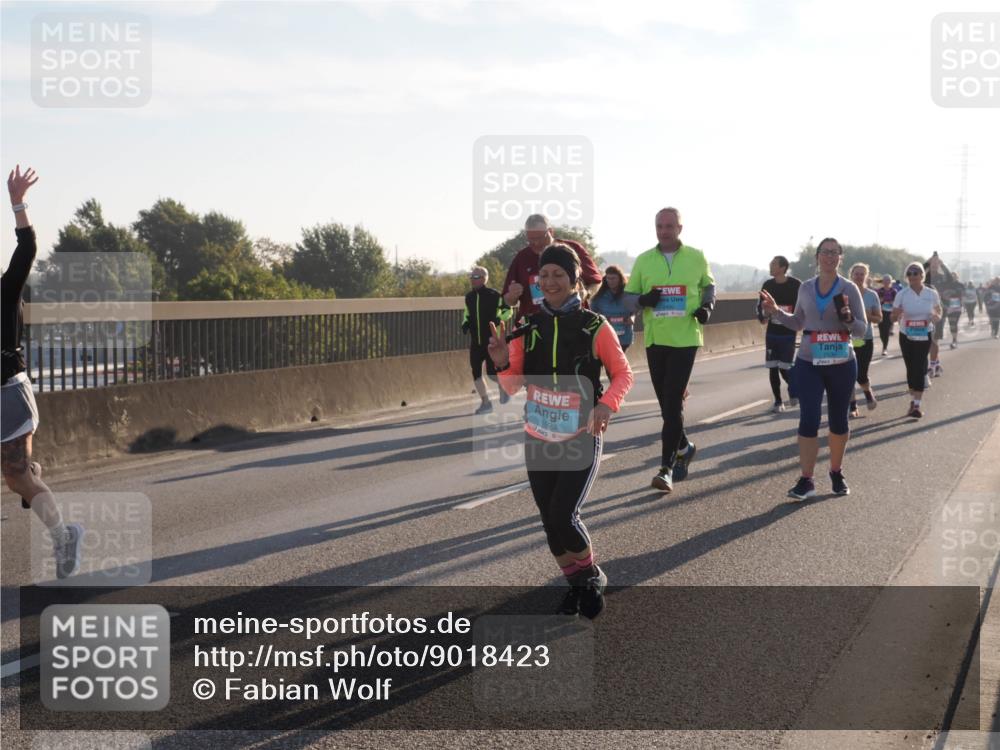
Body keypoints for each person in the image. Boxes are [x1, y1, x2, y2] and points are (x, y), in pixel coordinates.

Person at [487, 244, 633, 618]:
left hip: (581, 433)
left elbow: (622, 374)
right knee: (550, 523)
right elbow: (511, 386)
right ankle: (577, 584)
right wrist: (502, 361)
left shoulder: (593, 326)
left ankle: (591, 576)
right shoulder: (528, 327)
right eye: (544, 275)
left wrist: (606, 405)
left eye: (559, 275)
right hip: (538, 433)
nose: (550, 282)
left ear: (574, 280)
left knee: (564, 516)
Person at [1, 165, 83, 579]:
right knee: (18, 477)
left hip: (8, 393)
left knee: (16, 478)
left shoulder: (6, 288)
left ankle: (64, 534)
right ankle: (32, 477)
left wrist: (18, 204)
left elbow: (27, 249)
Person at [760, 237, 868, 500]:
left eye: (835, 253)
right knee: (808, 420)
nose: (830, 257)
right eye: (825, 252)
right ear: (817, 257)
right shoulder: (806, 288)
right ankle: (806, 479)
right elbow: (798, 322)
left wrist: (850, 320)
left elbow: (863, 330)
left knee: (838, 420)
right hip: (809, 361)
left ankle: (836, 472)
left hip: (842, 362)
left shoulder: (849, 288)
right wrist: (775, 312)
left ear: (840, 257)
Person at [624, 207, 715, 493]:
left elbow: (709, 287)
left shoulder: (696, 257)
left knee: (673, 401)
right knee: (667, 406)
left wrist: (707, 307)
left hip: (686, 337)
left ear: (680, 228)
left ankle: (665, 469)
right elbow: (627, 301)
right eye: (659, 226)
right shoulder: (644, 260)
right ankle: (685, 446)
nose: (664, 231)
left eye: (669, 226)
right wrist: (643, 299)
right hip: (655, 339)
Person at [502, 214, 602, 319]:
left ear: (550, 231)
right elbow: (507, 301)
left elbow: (596, 282)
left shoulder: (572, 249)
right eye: (531, 239)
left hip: (572, 322)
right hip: (534, 326)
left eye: (540, 238)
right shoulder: (522, 258)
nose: (536, 243)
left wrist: (586, 293)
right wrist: (511, 296)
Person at [891, 263, 943, 419]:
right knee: (911, 367)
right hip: (906, 334)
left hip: (924, 333)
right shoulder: (902, 294)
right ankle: (913, 400)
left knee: (920, 366)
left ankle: (917, 405)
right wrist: (896, 315)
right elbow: (892, 317)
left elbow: (938, 310)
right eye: (910, 273)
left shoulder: (931, 293)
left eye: (916, 273)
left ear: (922, 275)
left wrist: (936, 317)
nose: (912, 276)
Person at [462, 266, 513, 414]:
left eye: (476, 277)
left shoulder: (494, 295)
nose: (472, 279)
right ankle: (486, 403)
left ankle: (503, 388)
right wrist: (464, 323)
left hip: (491, 341)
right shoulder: (469, 297)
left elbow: (507, 310)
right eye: (471, 276)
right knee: (476, 372)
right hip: (475, 342)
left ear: (484, 279)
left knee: (492, 373)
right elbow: (466, 313)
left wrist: (498, 319)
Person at [756, 255, 800, 413]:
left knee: (785, 367)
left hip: (788, 332)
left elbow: (803, 306)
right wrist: (764, 316)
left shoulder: (795, 285)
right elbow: (760, 306)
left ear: (782, 268)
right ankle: (778, 401)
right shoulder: (768, 285)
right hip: (772, 333)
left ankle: (795, 389)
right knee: (773, 366)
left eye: (774, 264)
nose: (770, 265)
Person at [589, 265, 636, 381]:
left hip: (624, 337)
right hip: (607, 337)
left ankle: (617, 393)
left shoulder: (628, 293)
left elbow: (636, 308)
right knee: (612, 366)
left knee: (617, 365)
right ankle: (617, 393)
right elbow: (592, 313)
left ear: (620, 278)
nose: (611, 281)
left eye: (613, 278)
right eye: (608, 278)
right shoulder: (600, 296)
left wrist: (632, 318)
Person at [848, 263, 880, 417]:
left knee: (861, 374)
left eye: (862, 274)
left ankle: (867, 392)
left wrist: (867, 316)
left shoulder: (871, 295)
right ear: (851, 275)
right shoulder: (844, 293)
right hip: (847, 339)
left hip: (865, 339)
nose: (859, 277)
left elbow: (879, 318)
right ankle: (852, 406)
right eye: (856, 274)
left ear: (866, 276)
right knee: (848, 374)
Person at [940, 274, 964, 350]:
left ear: (957, 277)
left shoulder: (960, 285)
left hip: (957, 307)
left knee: (954, 323)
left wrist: (962, 303)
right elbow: (941, 295)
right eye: (951, 276)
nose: (952, 277)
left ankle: (954, 340)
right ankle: (954, 340)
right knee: (952, 324)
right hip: (948, 307)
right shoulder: (945, 284)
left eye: (954, 276)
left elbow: (964, 295)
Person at [875, 274, 897, 355]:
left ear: (891, 282)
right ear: (883, 282)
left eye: (888, 281)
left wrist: (890, 302)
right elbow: (878, 301)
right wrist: (884, 301)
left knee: (886, 330)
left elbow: (896, 302)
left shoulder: (893, 291)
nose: (886, 282)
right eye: (885, 280)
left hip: (889, 313)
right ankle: (884, 343)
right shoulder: (879, 291)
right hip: (881, 312)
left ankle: (884, 348)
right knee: (881, 331)